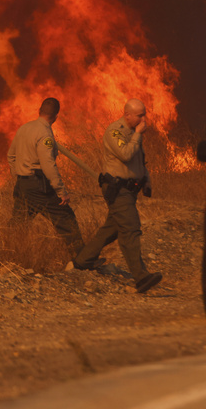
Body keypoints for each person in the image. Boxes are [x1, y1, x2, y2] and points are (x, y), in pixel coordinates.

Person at [73, 98, 163, 293]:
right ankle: (141, 277)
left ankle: (82, 260)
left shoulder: (132, 133)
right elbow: (125, 154)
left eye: (144, 115)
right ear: (128, 114)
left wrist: (146, 181)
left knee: (112, 228)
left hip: (130, 190)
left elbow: (140, 161)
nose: (142, 119)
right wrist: (138, 135)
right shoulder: (115, 131)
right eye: (139, 115)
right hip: (117, 189)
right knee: (130, 228)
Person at [7, 97, 87, 260]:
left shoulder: (24, 128)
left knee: (18, 224)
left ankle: (10, 258)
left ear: (39, 111)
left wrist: (20, 175)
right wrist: (61, 191)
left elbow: (11, 155)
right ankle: (83, 260)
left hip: (22, 185)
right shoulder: (45, 134)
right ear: (56, 117)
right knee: (65, 218)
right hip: (39, 186)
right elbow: (48, 166)